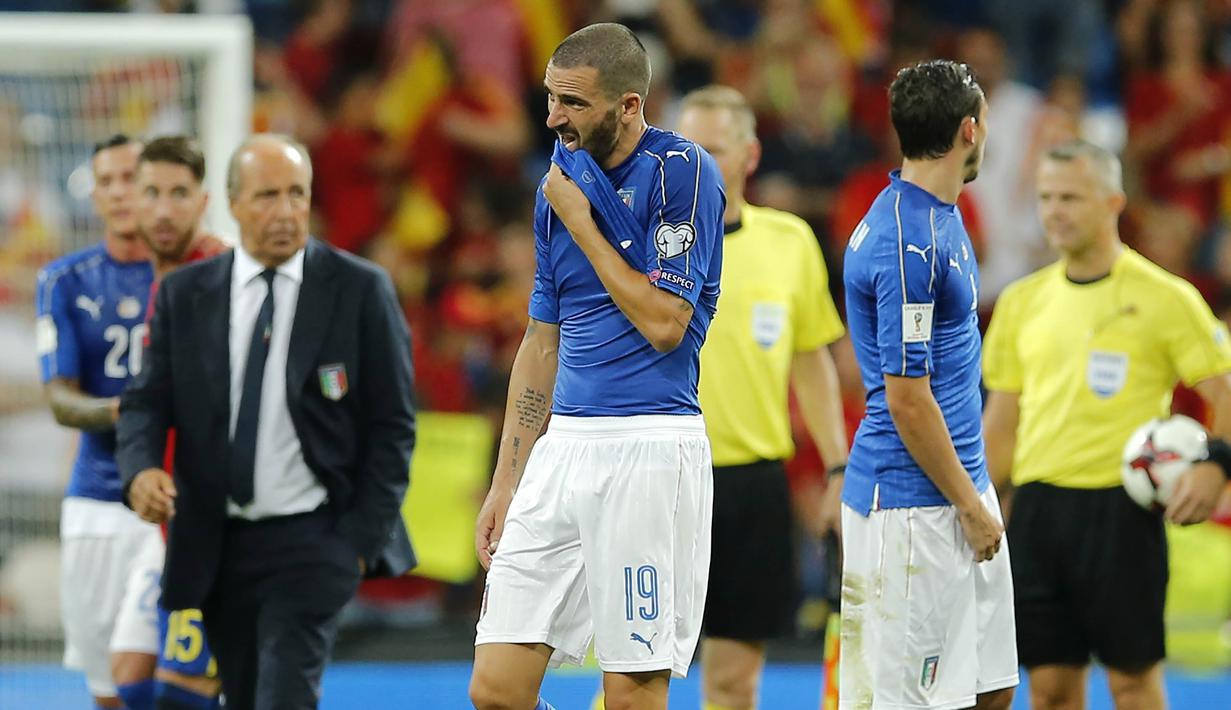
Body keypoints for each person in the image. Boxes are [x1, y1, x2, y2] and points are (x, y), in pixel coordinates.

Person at [468, 23, 724, 710]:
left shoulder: (683, 173)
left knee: (632, 694)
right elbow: (540, 339)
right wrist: (506, 480)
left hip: (648, 447)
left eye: (574, 103)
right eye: (550, 98)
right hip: (563, 451)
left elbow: (666, 325)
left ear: (629, 106)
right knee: (494, 691)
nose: (553, 117)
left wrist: (581, 221)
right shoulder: (558, 182)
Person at [116, 133, 417, 710]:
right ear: (231, 203)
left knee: (284, 696)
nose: (285, 212)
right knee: (244, 694)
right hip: (215, 540)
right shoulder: (186, 294)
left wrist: (357, 541)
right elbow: (146, 401)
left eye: (296, 194)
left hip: (314, 537)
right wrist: (141, 472)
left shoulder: (359, 290)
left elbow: (393, 423)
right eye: (267, 197)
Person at [982, 140, 1231, 710]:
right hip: (1040, 511)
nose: (1055, 211)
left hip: (1123, 512)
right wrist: (978, 506)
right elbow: (1001, 423)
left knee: (1133, 684)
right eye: (1046, 197)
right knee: (1048, 690)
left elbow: (1224, 390)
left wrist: (1218, 464)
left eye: (1070, 196)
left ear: (1113, 201)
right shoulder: (1021, 303)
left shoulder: (1165, 297)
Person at [840, 60, 1017, 710]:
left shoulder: (941, 215)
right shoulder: (904, 241)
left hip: (960, 490)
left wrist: (975, 499)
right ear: (969, 129)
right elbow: (906, 398)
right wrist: (968, 507)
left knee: (989, 688)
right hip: (912, 508)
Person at [676, 85, 849, 710]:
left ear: (749, 155)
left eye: (712, 149)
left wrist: (836, 467)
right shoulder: (636, 240)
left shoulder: (791, 243)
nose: (692, 162)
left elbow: (812, 362)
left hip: (751, 487)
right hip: (659, 478)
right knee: (633, 678)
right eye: (682, 148)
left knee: (732, 682)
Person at [35, 134, 162, 710]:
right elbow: (61, 399)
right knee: (109, 694)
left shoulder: (194, 273)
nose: (118, 192)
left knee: (163, 679)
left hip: (173, 504)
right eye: (105, 181)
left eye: (130, 177)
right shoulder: (64, 280)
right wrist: (134, 411)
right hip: (96, 505)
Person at [133, 135, 228, 710]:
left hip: (219, 524)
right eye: (152, 193)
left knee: (189, 688)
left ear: (204, 199)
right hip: (178, 522)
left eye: (178, 193)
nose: (164, 210)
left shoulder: (216, 276)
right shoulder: (162, 282)